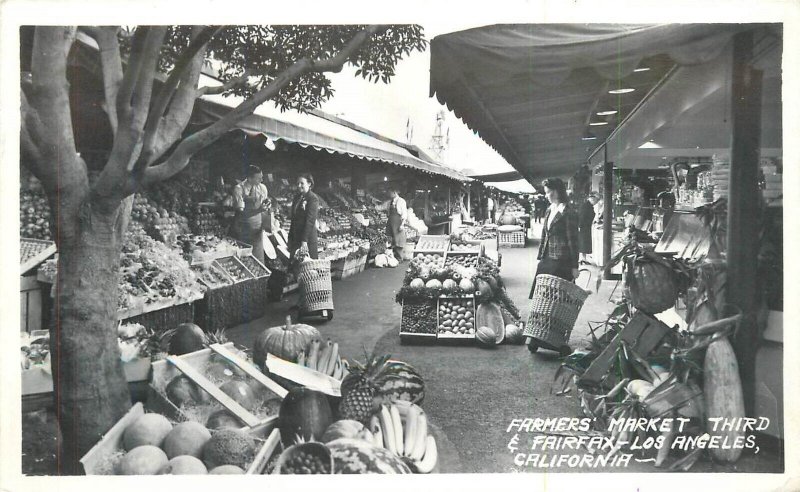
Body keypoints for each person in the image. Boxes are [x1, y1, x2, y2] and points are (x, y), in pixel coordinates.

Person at [528, 177, 580, 300]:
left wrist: (574, 267)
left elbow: (573, 241)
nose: (546, 196)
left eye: (548, 192)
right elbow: (544, 235)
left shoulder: (568, 212)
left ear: (556, 192)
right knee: (542, 296)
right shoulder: (549, 210)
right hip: (547, 259)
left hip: (562, 261)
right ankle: (541, 319)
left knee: (559, 299)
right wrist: (540, 256)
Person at [232, 165, 269, 264]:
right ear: (249, 178)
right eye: (258, 178)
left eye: (262, 177)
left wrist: (267, 204)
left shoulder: (262, 188)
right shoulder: (239, 189)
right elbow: (241, 213)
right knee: (245, 258)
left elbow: (265, 205)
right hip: (243, 228)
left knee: (258, 259)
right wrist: (259, 210)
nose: (261, 180)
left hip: (257, 228)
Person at [288, 173, 320, 261]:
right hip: (296, 237)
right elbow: (293, 219)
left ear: (309, 183)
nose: (299, 185)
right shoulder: (297, 197)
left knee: (308, 268)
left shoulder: (313, 198)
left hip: (307, 238)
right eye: (298, 183)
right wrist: (290, 238)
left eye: (302, 183)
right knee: (294, 265)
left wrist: (304, 241)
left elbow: (310, 220)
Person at [384, 187, 408, 260]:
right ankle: (392, 257)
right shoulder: (390, 201)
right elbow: (383, 207)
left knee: (398, 240)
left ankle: (399, 257)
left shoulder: (401, 201)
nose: (389, 194)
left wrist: (402, 225)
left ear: (394, 192)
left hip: (398, 223)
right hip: (390, 222)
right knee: (391, 238)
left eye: (390, 193)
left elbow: (404, 214)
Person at [578, 193, 600, 264]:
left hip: (586, 226)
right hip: (584, 227)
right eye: (596, 201)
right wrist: (580, 226)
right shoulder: (586, 206)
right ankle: (582, 259)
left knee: (584, 243)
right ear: (593, 199)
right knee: (583, 243)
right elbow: (582, 217)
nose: (596, 203)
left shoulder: (588, 205)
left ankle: (583, 259)